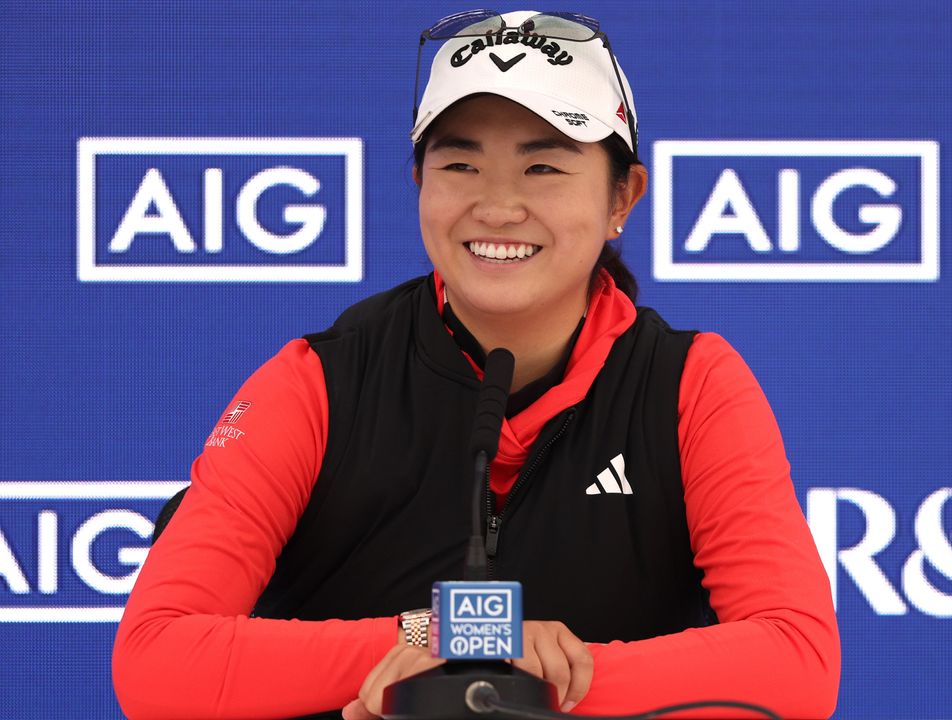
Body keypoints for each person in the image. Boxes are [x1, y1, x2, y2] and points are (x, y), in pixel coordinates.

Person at [113, 10, 839, 719]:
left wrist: (523, 686)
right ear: (420, 183)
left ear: (624, 195)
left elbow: (798, 664)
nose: (497, 206)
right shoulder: (316, 381)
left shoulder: (692, 384)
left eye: (543, 165)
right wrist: (432, 640)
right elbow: (155, 660)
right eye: (460, 163)